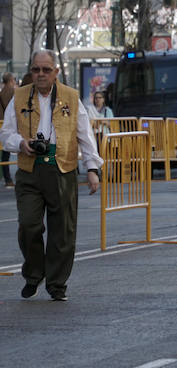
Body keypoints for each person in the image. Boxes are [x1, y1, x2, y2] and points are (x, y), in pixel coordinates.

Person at [0, 50, 102, 300]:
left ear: (56, 71)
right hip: (29, 170)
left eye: (46, 70)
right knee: (29, 225)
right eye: (36, 69)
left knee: (62, 231)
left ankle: (56, 284)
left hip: (62, 168)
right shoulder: (19, 96)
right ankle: (34, 274)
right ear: (31, 71)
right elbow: (5, 134)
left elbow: (85, 136)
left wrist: (92, 169)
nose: (41, 74)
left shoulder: (71, 96)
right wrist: (21, 143)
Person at [1, 72, 16, 187]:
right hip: (11, 124)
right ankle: (9, 179)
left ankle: (7, 179)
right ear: (11, 80)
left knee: (4, 154)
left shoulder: (2, 92)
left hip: (2, 125)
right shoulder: (14, 92)